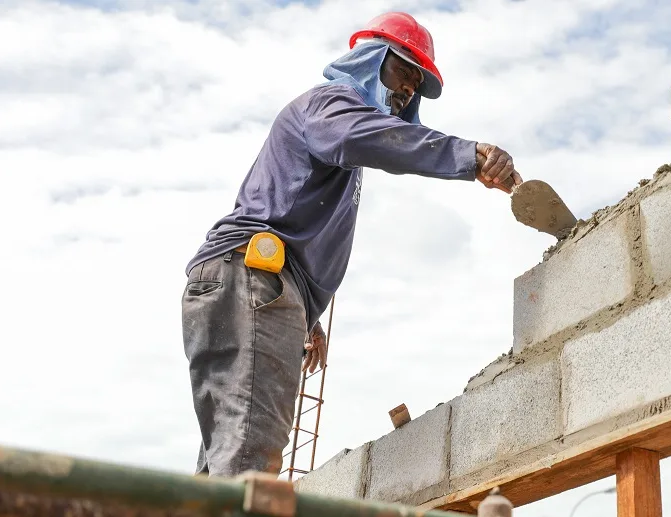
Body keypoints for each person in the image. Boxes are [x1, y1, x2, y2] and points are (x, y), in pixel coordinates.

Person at [180, 11, 522, 477]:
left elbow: (297, 224)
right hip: (251, 277)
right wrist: (467, 155)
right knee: (247, 461)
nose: (407, 91)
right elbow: (372, 138)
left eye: (416, 85)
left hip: (244, 281)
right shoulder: (329, 107)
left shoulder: (340, 138)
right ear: (369, 59)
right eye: (403, 70)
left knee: (225, 457)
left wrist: (306, 316)